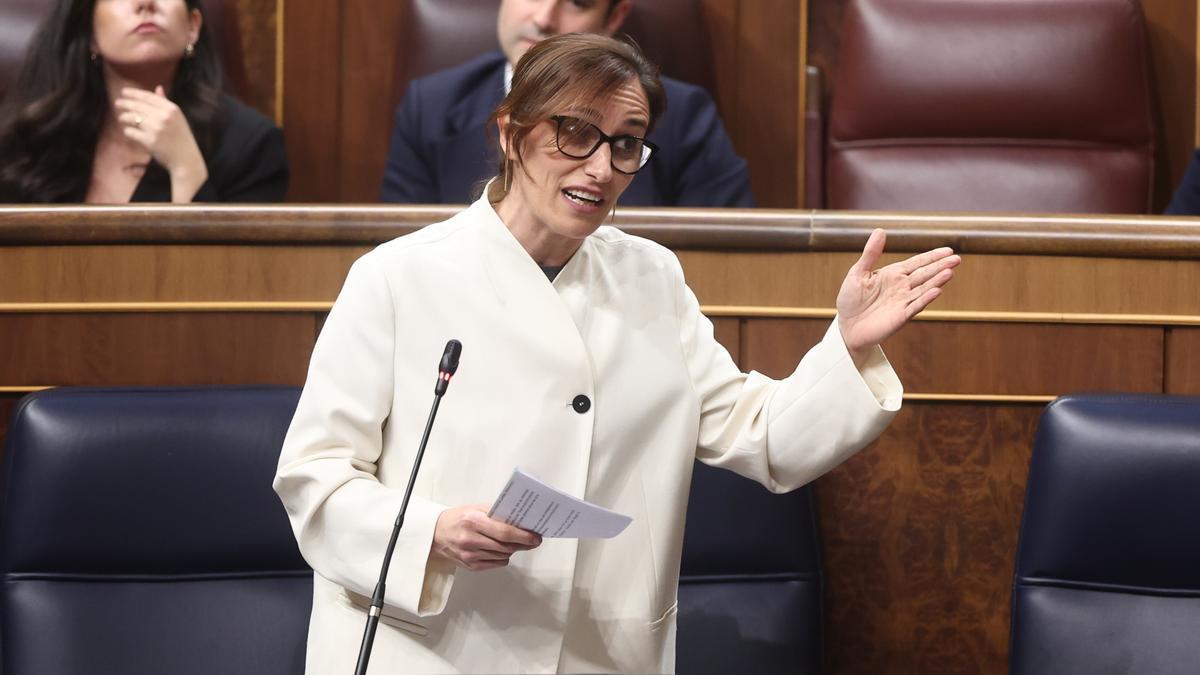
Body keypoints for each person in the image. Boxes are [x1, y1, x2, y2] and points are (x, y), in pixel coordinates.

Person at [276, 34, 959, 674]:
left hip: (597, 651)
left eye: (626, 143)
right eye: (576, 133)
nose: (602, 168)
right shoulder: (398, 277)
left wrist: (848, 344)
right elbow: (315, 476)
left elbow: (765, 438)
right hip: (430, 650)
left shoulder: (649, 276)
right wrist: (431, 532)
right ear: (511, 134)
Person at [380, 0, 754, 208]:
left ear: (614, 17)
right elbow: (401, 249)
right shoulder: (429, 107)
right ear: (507, 131)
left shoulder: (685, 116)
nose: (544, 18)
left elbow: (726, 253)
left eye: (576, 3)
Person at [0, 0, 288, 203]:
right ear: (90, 35)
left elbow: (232, 270)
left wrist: (186, 170)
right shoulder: (32, 141)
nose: (146, 3)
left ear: (193, 27)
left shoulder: (252, 146)